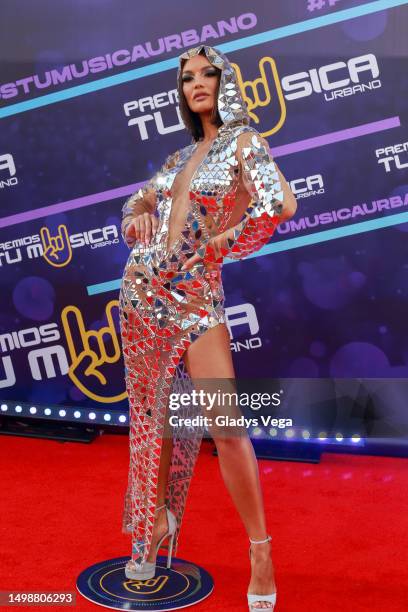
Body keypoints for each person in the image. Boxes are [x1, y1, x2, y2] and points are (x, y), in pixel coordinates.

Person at [119, 44, 297, 611]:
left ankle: (261, 550)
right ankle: (158, 524)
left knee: (225, 428)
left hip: (198, 301)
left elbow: (280, 205)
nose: (197, 82)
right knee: (153, 424)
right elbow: (138, 200)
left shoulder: (245, 143)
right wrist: (136, 215)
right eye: (187, 76)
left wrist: (228, 242)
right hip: (143, 296)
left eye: (207, 73)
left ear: (227, 80)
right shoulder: (176, 158)